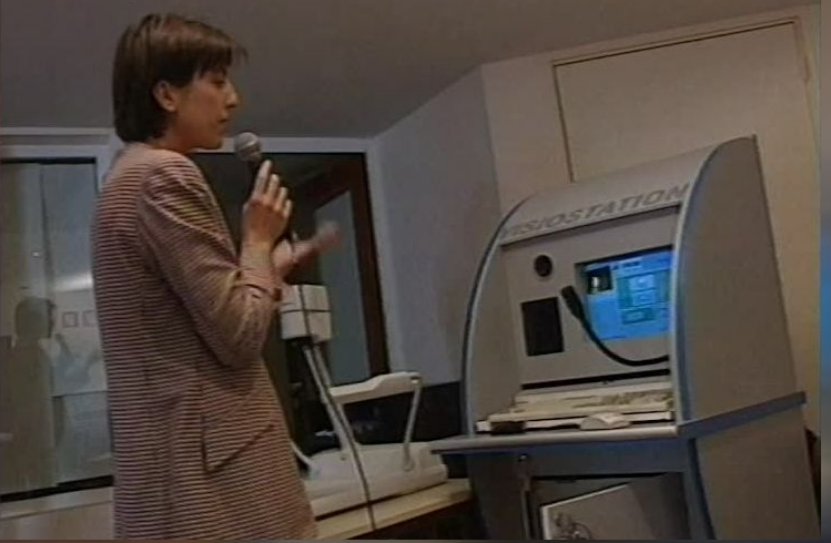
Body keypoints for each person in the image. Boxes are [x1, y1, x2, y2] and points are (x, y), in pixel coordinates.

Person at [91, 13, 335, 539]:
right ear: (166, 94)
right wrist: (258, 242)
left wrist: (269, 266)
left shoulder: (126, 178)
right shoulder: (163, 175)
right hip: (206, 483)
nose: (234, 99)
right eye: (218, 81)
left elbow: (185, 318)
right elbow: (239, 335)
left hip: (173, 470)